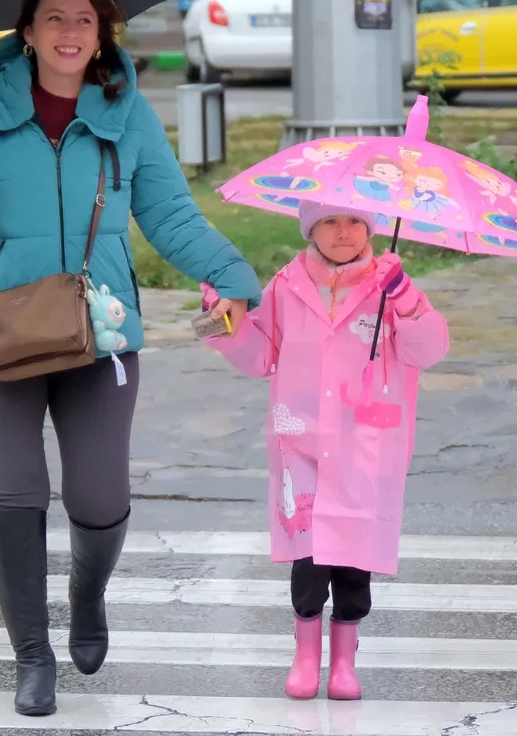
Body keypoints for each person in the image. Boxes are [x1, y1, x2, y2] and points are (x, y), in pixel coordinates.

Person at [0, 0, 261, 717]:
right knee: (16, 492)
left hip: (99, 333)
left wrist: (233, 275)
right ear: (27, 32)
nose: (69, 32)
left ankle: (87, 593)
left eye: (83, 19)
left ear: (100, 33)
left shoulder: (127, 116)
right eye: (53, 18)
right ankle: (32, 657)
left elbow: (170, 216)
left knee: (100, 497)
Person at [203, 200, 449, 701]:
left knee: (355, 561)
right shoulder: (285, 286)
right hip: (304, 441)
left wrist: (405, 300)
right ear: (311, 230)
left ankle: (343, 662)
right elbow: (261, 355)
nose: (343, 232)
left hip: (365, 446)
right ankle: (305, 655)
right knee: (310, 556)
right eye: (330, 222)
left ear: (371, 228)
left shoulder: (392, 286)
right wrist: (222, 323)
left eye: (355, 221)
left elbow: (428, 350)